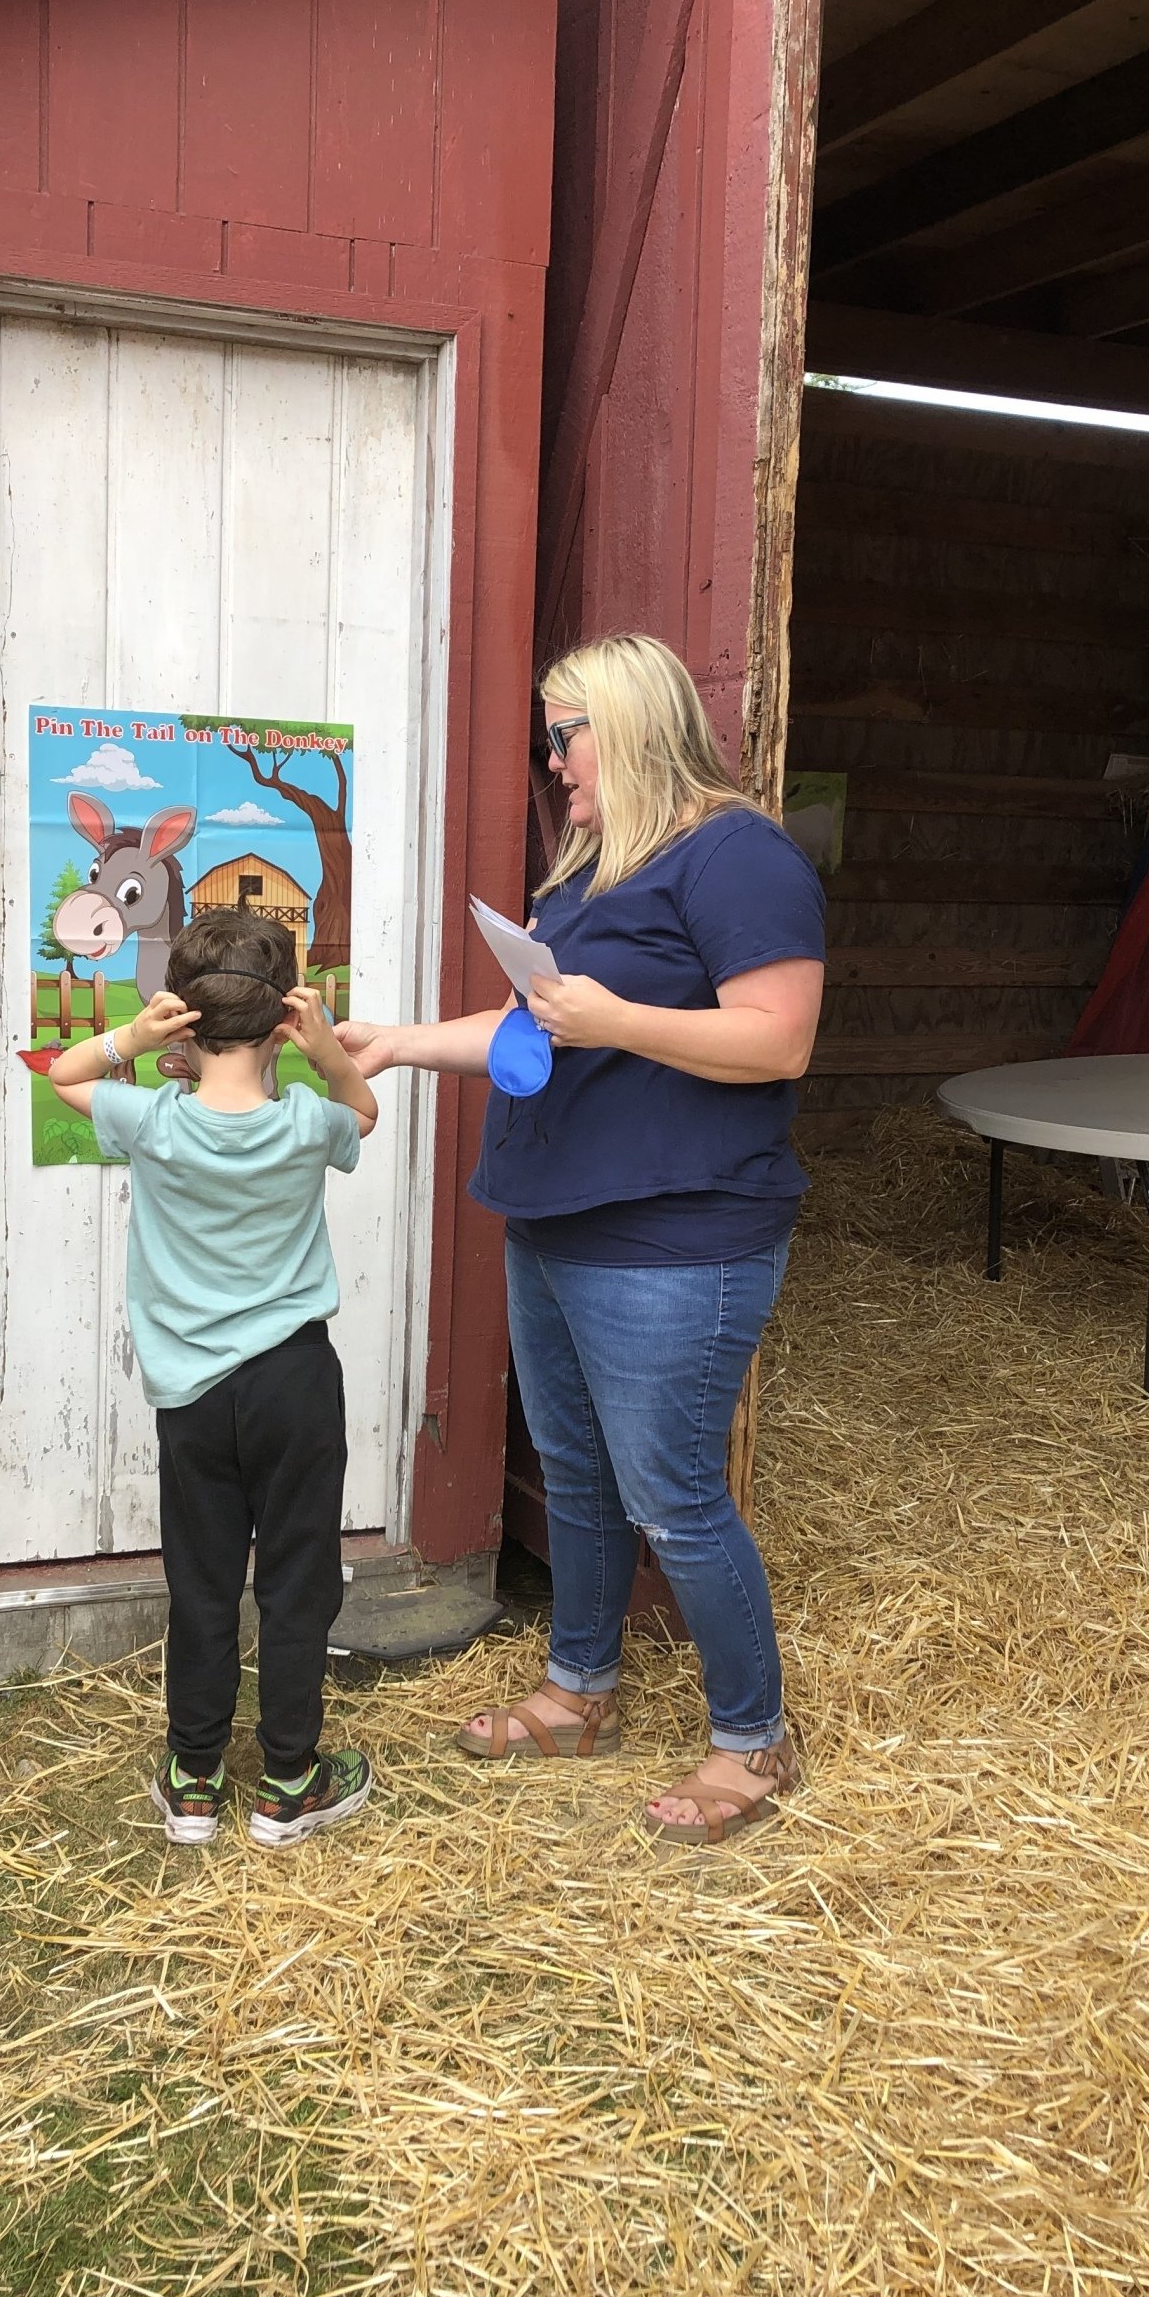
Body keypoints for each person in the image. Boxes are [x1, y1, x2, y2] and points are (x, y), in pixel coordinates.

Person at [337, 633, 825, 1845]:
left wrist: (616, 1016)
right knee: (579, 1473)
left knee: (674, 1495)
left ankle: (753, 1739)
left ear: (630, 722)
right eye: (548, 738)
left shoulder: (738, 855)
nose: (553, 761)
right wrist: (397, 1042)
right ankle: (578, 1690)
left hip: (677, 1233)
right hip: (559, 1218)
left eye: (566, 734)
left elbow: (778, 1038)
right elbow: (535, 1027)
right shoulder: (597, 871)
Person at [49, 910, 379, 1849]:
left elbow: (63, 1073)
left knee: (201, 1578)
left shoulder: (149, 1119)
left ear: (182, 1020)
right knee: (297, 1579)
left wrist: (130, 1037)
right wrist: (326, 1054)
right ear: (282, 1021)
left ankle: (193, 1778)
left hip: (192, 1394)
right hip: (294, 1381)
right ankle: (289, 1781)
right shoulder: (309, 1123)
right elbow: (364, 1112)